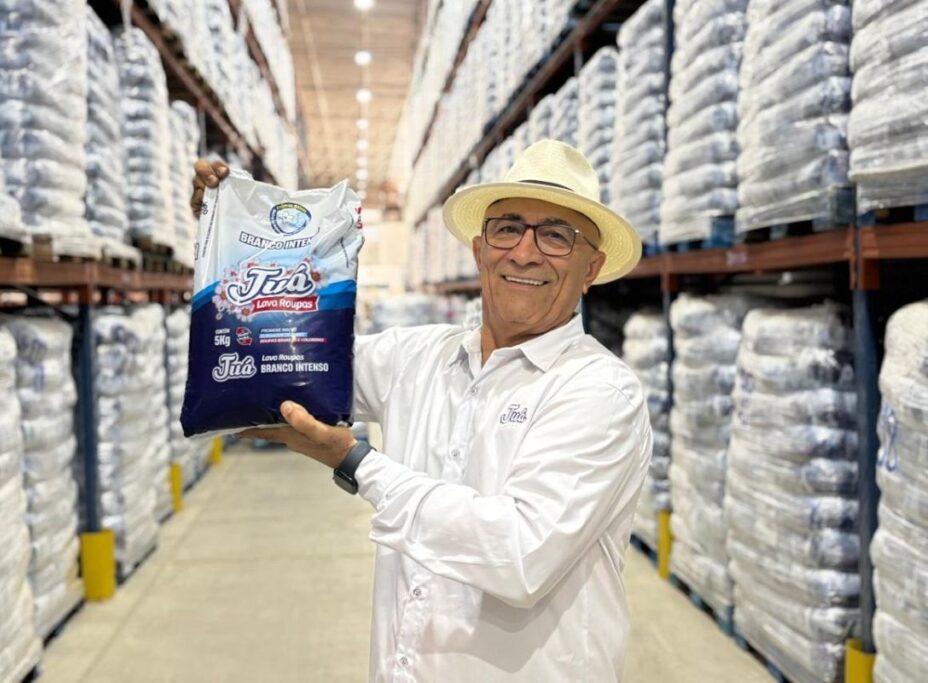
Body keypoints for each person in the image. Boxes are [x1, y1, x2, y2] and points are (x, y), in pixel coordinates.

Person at [192, 140, 652, 682]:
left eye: (556, 236)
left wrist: (357, 463)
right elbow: (276, 365)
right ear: (480, 249)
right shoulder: (417, 358)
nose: (525, 253)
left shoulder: (600, 392)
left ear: (591, 267)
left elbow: (520, 557)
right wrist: (229, 240)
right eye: (508, 228)